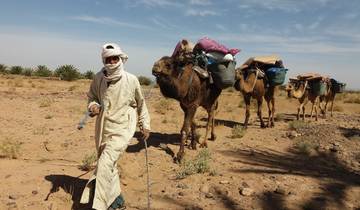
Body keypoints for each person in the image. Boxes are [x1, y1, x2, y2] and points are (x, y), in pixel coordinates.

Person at [80, 43, 151, 210]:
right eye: (108, 59)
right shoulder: (98, 78)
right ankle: (117, 202)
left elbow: (141, 103)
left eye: (115, 58)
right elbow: (92, 97)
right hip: (103, 126)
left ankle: (101, 206)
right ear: (104, 60)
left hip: (124, 126)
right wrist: (93, 107)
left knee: (105, 163)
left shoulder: (131, 79)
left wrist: (145, 124)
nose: (112, 61)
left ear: (120, 59)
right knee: (107, 165)